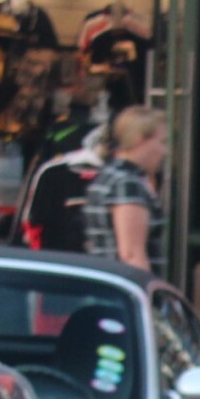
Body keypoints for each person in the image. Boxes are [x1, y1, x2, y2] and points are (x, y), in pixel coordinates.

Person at [80, 105, 167, 274]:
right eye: (161, 142)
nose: (165, 151)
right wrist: (147, 297)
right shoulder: (126, 184)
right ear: (141, 140)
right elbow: (132, 255)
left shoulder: (107, 176)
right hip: (122, 290)